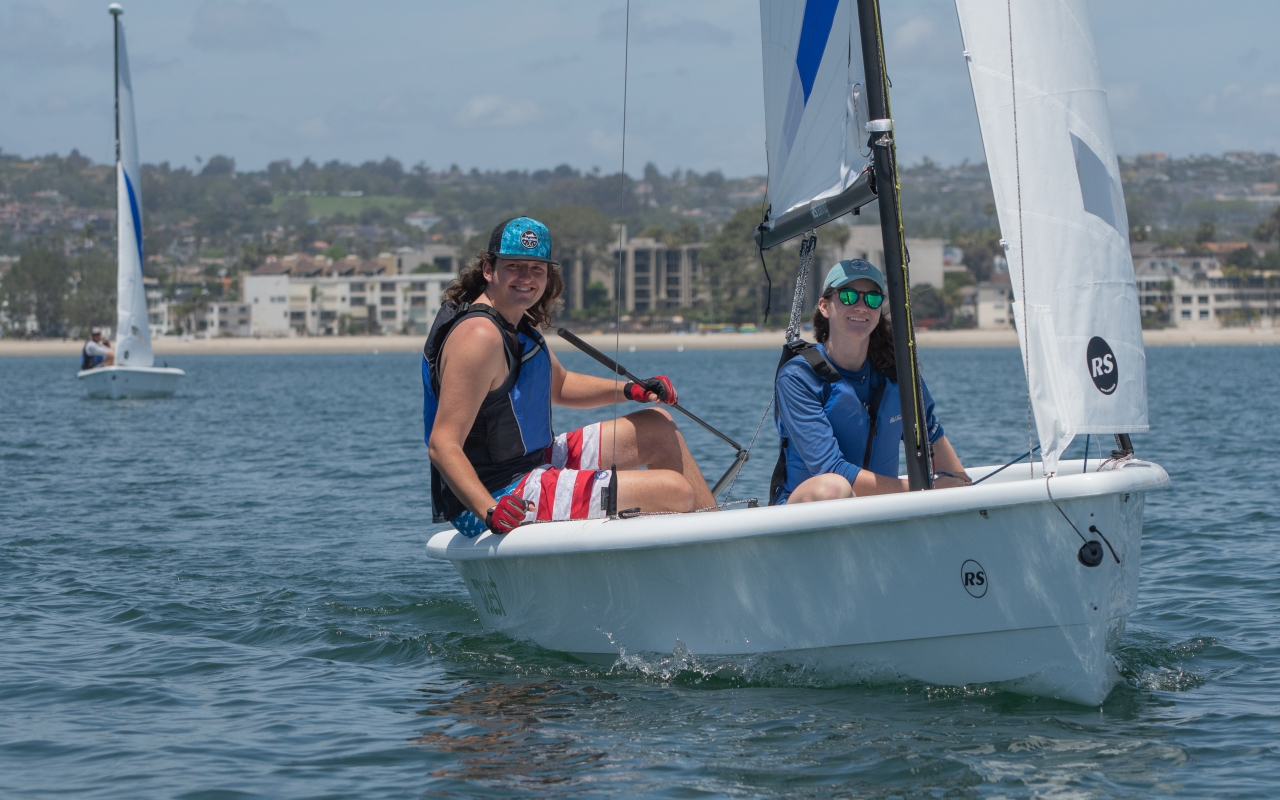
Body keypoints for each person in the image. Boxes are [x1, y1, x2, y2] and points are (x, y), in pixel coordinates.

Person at [423, 216, 715, 537]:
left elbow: (560, 386)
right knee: (672, 490)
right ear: (488, 270)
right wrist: (490, 510)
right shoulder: (479, 335)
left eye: (537, 269)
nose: (527, 277)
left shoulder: (518, 323)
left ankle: (721, 545)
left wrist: (632, 389)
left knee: (658, 426)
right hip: (496, 493)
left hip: (533, 463)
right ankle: (705, 560)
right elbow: (442, 443)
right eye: (515, 266)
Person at [770, 259, 970, 505]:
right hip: (806, 513)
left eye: (872, 299)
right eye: (848, 296)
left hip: (879, 511)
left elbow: (947, 460)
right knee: (834, 487)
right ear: (824, 305)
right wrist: (923, 490)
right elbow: (830, 469)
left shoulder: (899, 376)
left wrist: (956, 483)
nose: (861, 306)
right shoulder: (798, 377)